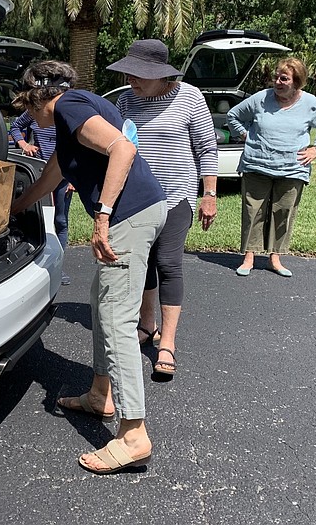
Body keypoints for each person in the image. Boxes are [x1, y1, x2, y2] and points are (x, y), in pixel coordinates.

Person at [10, 60, 167, 475]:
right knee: (103, 303)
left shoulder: (68, 107)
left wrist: (102, 215)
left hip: (127, 216)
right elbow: (55, 173)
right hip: (142, 210)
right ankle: (101, 394)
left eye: (27, 107)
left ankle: (133, 434)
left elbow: (123, 149)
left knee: (117, 319)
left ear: (39, 95)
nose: (28, 116)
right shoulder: (76, 113)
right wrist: (18, 206)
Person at [107, 39, 218, 380]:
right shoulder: (126, 100)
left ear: (161, 75)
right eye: (129, 73)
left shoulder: (189, 97)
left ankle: (166, 342)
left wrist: (209, 193)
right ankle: (147, 323)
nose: (131, 80)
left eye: (139, 74)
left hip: (176, 197)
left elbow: (206, 146)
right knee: (145, 263)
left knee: (168, 262)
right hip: (137, 199)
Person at [226, 57, 316, 277]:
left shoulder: (311, 103)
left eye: (284, 78)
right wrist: (243, 134)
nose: (277, 81)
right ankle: (249, 256)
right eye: (276, 76)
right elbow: (233, 115)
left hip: (292, 168)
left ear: (297, 82)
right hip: (256, 165)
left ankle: (275, 258)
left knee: (283, 212)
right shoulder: (260, 99)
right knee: (253, 212)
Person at [9, 111, 74, 285]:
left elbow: (79, 143)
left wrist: (75, 177)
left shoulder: (68, 112)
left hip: (63, 174)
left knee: (60, 221)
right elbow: (15, 126)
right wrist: (24, 144)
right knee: (39, 218)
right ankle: (34, 262)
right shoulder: (36, 110)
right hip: (39, 171)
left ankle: (58, 265)